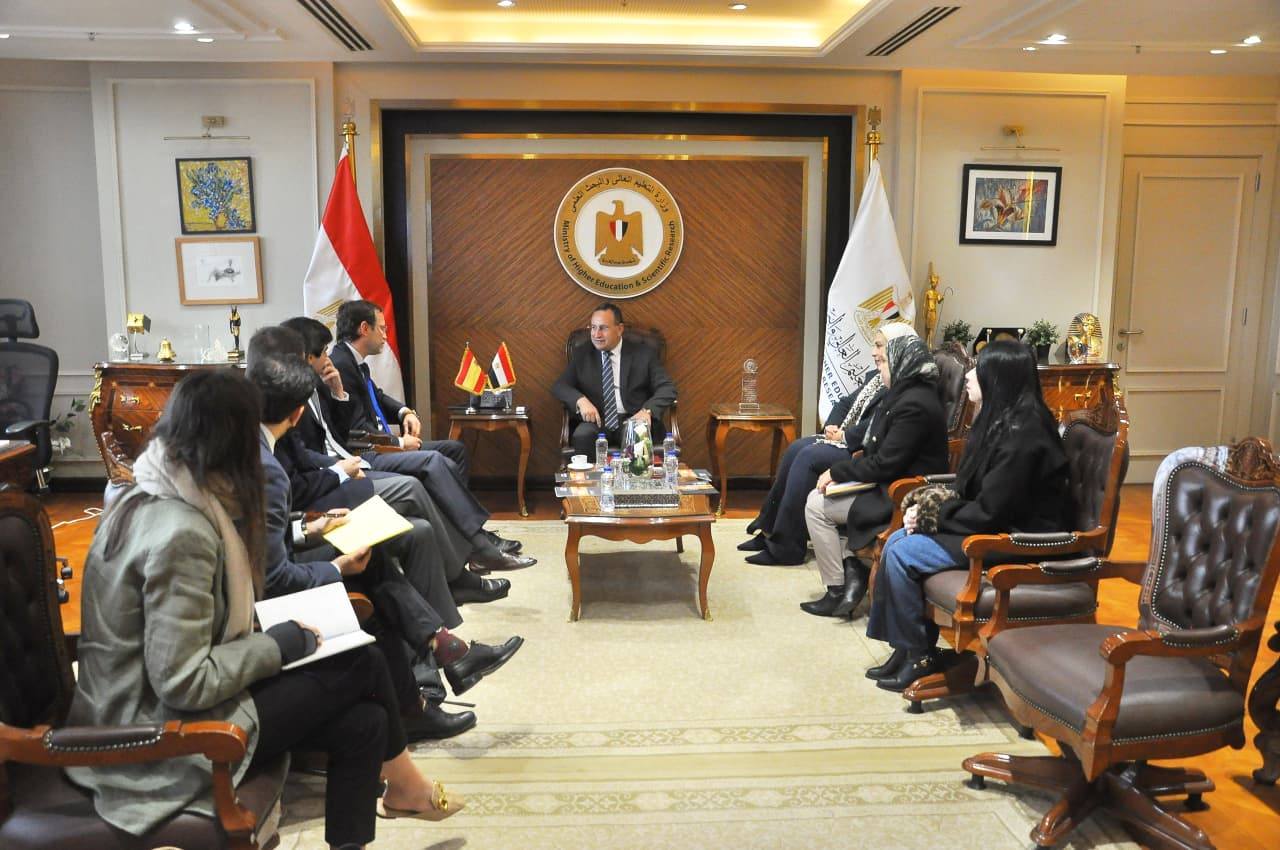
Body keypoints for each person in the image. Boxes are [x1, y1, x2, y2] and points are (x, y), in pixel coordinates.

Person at [65, 369, 462, 850]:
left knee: (366, 722)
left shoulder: (153, 492)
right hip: (158, 737)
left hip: (159, 706)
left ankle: (399, 794)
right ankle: (407, 788)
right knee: (362, 662)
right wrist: (277, 645)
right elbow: (185, 681)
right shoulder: (180, 533)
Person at [248, 342, 524, 699]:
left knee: (417, 531)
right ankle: (440, 661)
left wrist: (309, 528)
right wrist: (335, 565)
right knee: (379, 548)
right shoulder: (264, 463)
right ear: (298, 412)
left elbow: (272, 521)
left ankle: (444, 653)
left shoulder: (264, 440)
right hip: (278, 568)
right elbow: (272, 568)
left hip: (306, 521)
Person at [865, 340, 1070, 692]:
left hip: (1016, 540)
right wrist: (928, 512)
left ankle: (919, 655)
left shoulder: (1026, 434)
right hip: (993, 526)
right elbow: (975, 496)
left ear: (999, 379)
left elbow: (990, 511)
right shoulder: (1002, 419)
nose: (970, 377)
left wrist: (931, 516)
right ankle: (908, 648)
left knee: (902, 551)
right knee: (897, 540)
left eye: (979, 370)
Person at [325, 303, 535, 573]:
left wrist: (404, 411)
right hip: (366, 455)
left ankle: (468, 531)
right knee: (434, 461)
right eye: (382, 329)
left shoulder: (354, 361)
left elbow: (378, 397)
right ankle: (479, 544)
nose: (386, 335)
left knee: (454, 450)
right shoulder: (341, 365)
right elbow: (354, 434)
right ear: (364, 329)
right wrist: (399, 444)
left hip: (381, 445)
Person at [800, 327, 949, 617]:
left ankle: (838, 587)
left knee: (816, 507)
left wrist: (837, 471)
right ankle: (851, 571)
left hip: (902, 494)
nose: (877, 364)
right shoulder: (903, 394)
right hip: (884, 483)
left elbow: (885, 463)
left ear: (902, 360)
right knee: (818, 497)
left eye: (883, 361)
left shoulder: (915, 404)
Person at [551, 301, 677, 457]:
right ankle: (588, 474)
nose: (596, 335)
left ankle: (635, 474)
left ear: (619, 329)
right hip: (597, 421)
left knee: (637, 432)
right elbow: (560, 385)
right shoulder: (583, 353)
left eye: (603, 328)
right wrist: (580, 400)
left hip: (632, 418)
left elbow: (667, 388)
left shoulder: (643, 354)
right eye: (593, 327)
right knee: (582, 435)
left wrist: (647, 411)